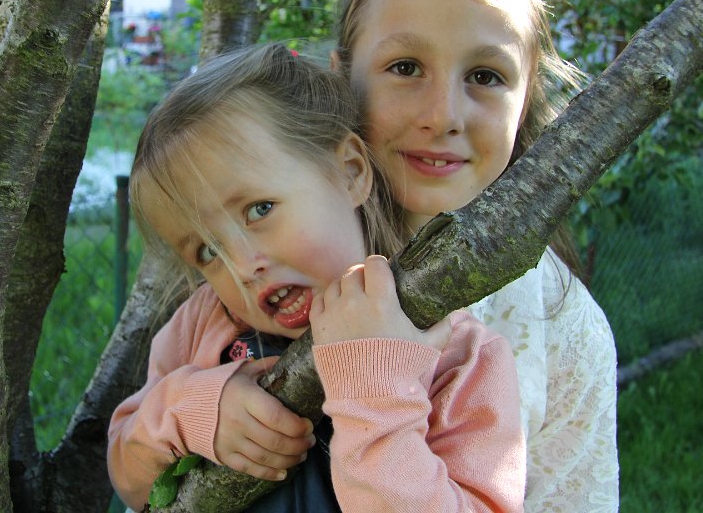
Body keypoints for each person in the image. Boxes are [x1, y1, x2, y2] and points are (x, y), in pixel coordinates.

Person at [107, 43, 526, 512]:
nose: (242, 267)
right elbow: (129, 477)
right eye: (208, 251)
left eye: (259, 210)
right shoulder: (202, 325)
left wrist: (375, 396)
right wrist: (189, 411)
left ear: (349, 172)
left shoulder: (456, 355)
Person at [330, 0, 620, 511]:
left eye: (485, 75)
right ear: (342, 79)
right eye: (405, 67)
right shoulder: (276, 250)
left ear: (526, 98)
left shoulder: (563, 328)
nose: (443, 115)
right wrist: (201, 406)